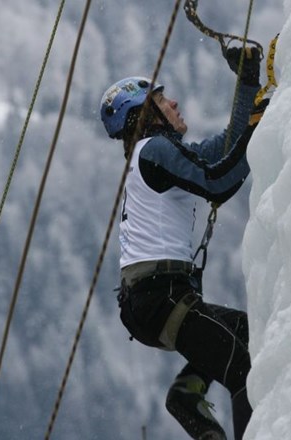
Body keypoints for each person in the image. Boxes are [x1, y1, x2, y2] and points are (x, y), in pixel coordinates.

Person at [99, 47, 268, 440]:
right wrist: (258, 126)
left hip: (155, 300)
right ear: (145, 116)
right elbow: (219, 182)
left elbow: (225, 148)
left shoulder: (159, 154)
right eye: (160, 100)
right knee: (245, 371)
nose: (172, 102)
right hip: (162, 298)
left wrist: (246, 85)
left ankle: (186, 395)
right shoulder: (153, 151)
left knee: (245, 332)